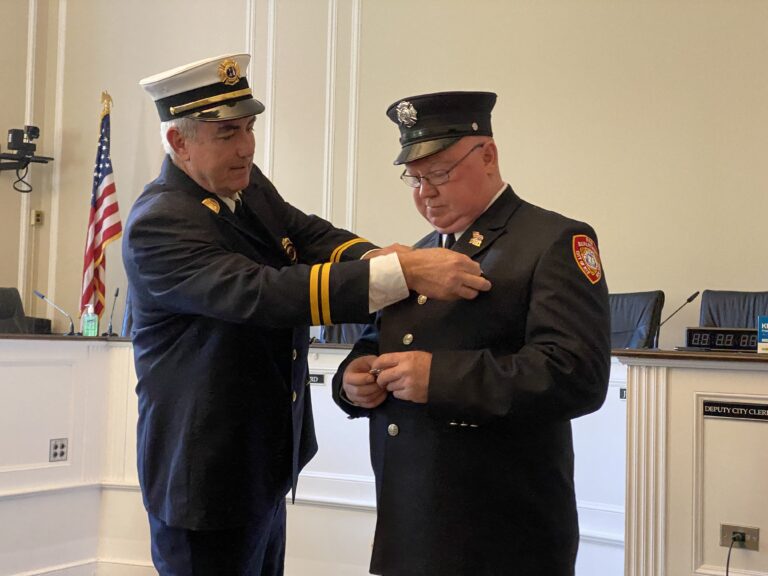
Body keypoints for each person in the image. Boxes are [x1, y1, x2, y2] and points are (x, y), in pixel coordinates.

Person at [122, 56, 490, 576]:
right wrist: (401, 275)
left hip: (260, 463)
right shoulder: (159, 221)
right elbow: (263, 294)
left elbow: (308, 235)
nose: (247, 146)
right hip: (205, 474)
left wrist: (383, 259)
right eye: (227, 133)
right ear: (179, 143)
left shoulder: (241, 185)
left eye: (248, 128)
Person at [332, 91, 611, 576]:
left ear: (488, 155)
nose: (426, 192)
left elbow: (576, 374)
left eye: (439, 174)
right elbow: (380, 342)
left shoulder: (553, 241)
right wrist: (352, 381)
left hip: (500, 533)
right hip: (411, 524)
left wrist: (439, 378)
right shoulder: (416, 257)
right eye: (415, 179)